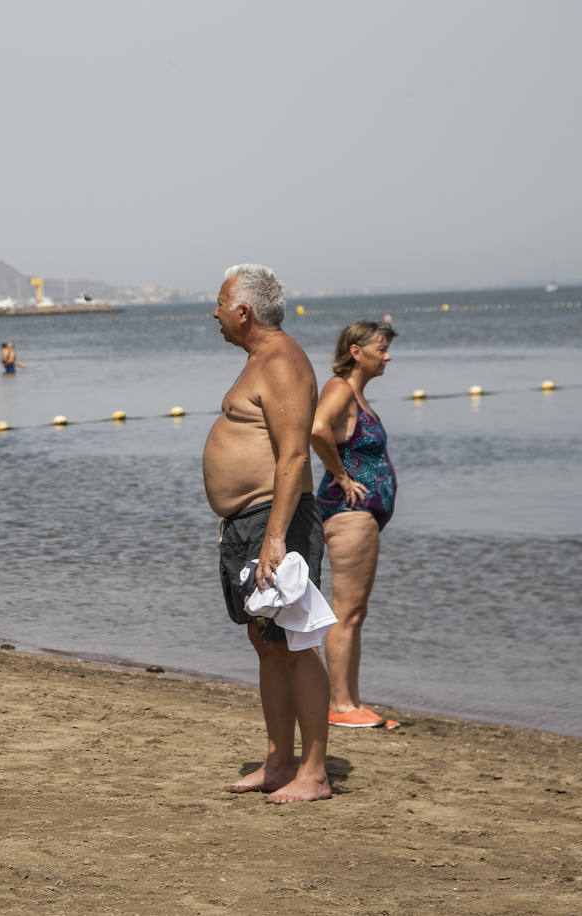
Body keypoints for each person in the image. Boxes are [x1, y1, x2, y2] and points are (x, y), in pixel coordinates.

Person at [203, 263, 330, 804]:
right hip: (248, 522)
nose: (215, 312)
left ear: (244, 311)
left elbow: (294, 455)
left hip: (274, 521)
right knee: (266, 641)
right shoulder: (259, 360)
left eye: (220, 302)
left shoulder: (281, 363)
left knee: (296, 644)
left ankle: (316, 772)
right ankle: (279, 761)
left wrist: (275, 540)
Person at [311, 320, 399, 729]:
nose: (388, 356)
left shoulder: (356, 394)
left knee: (355, 611)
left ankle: (351, 701)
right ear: (356, 350)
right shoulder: (339, 388)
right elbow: (316, 429)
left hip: (361, 517)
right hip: (348, 514)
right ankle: (341, 706)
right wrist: (343, 477)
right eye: (381, 348)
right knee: (346, 610)